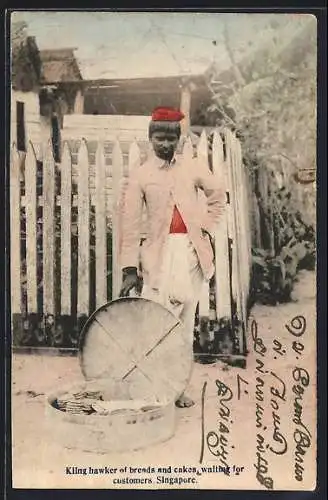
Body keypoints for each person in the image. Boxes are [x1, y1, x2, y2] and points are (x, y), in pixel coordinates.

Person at [118, 106, 225, 407]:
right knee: (157, 322)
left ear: (179, 138)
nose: (165, 144)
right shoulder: (141, 175)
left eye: (171, 138)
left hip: (190, 253)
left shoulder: (192, 166)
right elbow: (130, 224)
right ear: (150, 139)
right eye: (159, 138)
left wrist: (205, 226)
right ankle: (153, 388)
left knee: (185, 322)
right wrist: (129, 268)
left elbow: (218, 195)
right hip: (158, 257)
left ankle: (176, 388)